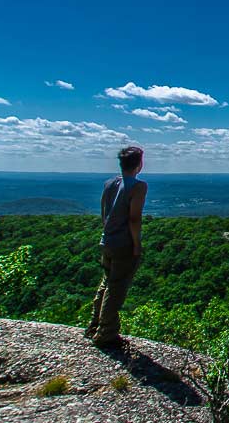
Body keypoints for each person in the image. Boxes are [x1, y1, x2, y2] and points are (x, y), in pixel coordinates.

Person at [86, 146, 148, 346]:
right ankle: (106, 332)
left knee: (106, 282)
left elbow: (104, 213)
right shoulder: (138, 187)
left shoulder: (109, 183)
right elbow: (134, 218)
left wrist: (108, 234)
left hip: (107, 241)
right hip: (124, 244)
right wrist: (136, 244)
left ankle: (94, 324)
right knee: (116, 287)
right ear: (139, 164)